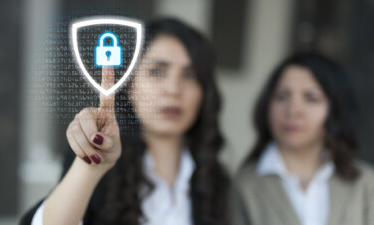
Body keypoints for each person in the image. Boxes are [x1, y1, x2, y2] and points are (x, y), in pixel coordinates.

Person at [20, 18, 229, 225]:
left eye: (190, 75)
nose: (173, 89)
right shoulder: (98, 164)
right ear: (130, 85)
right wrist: (91, 169)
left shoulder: (217, 182)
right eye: (157, 72)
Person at [232, 53, 374, 225]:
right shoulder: (242, 187)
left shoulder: (366, 184)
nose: (293, 110)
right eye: (282, 97)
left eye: (311, 98)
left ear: (336, 109)